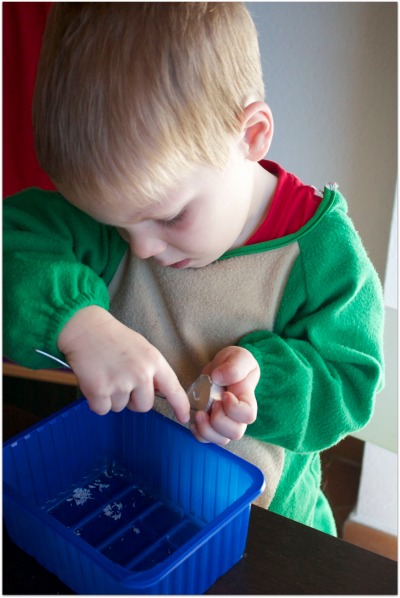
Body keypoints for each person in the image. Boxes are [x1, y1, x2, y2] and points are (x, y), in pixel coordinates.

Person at [3, 3, 384, 536]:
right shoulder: (123, 208)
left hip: (268, 529)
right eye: (115, 226)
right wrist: (77, 320)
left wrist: (262, 384)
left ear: (250, 136)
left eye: (167, 217)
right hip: (124, 500)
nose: (138, 250)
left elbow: (351, 381)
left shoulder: (320, 253)